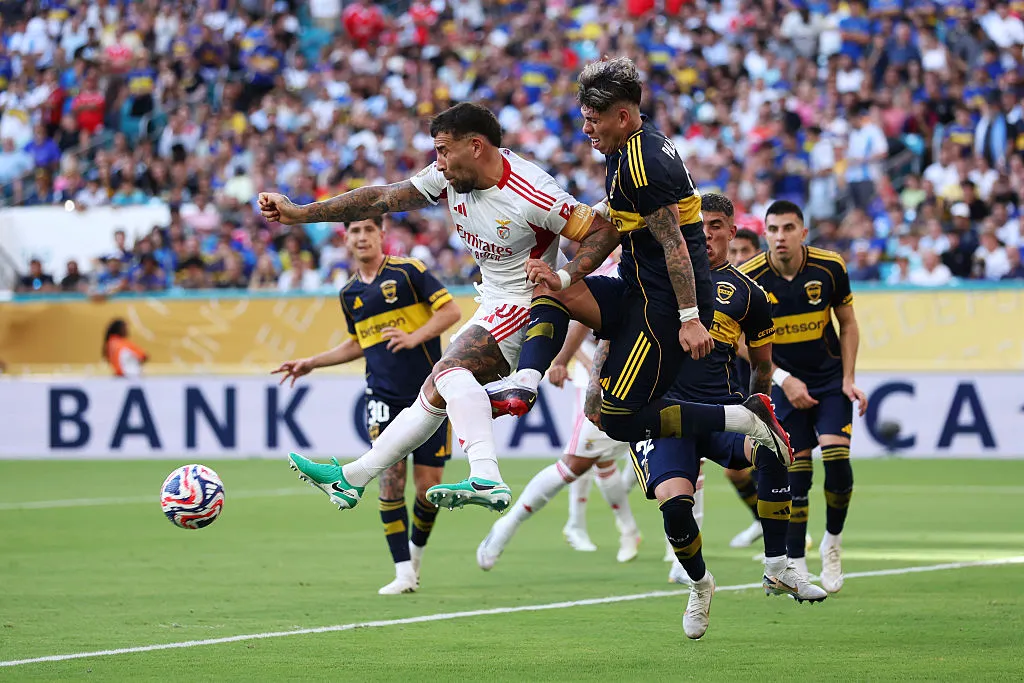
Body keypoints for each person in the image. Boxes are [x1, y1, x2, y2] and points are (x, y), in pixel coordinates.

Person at [260, 102, 621, 513]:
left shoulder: (531, 192)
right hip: (494, 297)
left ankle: (486, 474)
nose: (439, 162)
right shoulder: (449, 176)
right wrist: (302, 213)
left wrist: (565, 276)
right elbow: (381, 197)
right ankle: (352, 478)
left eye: (445, 151)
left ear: (477, 146)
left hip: (526, 300)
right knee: (433, 392)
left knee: (449, 373)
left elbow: (601, 230)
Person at [486, 57, 791, 460]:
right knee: (550, 290)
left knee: (618, 420)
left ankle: (745, 418)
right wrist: (563, 265)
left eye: (593, 120)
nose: (586, 130)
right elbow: (618, 214)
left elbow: (675, 244)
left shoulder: (642, 163)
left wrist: (690, 319)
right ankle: (524, 381)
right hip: (636, 285)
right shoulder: (628, 146)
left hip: (665, 304)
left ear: (624, 116)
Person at [273, 217, 461, 595]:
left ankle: (415, 557)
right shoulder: (349, 294)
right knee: (390, 481)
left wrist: (414, 337)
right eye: (353, 232)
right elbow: (357, 344)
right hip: (382, 395)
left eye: (367, 230)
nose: (360, 237)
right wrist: (312, 362)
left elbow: (450, 313)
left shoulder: (410, 272)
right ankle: (403, 572)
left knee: (428, 491)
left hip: (430, 394)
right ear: (346, 240)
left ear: (381, 234)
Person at [475, 253, 643, 569]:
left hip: (660, 375)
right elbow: (580, 314)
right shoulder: (612, 267)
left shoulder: (672, 258)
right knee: (579, 462)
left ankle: (669, 554)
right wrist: (563, 359)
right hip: (613, 381)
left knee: (686, 457)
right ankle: (508, 527)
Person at [740, 200, 868, 593]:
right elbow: (741, 341)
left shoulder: (831, 267)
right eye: (774, 229)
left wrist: (848, 378)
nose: (781, 236)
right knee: (797, 473)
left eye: (789, 228)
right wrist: (781, 378)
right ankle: (795, 560)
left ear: (803, 232)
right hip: (781, 384)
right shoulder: (750, 276)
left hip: (829, 380)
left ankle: (832, 542)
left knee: (837, 458)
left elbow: (847, 323)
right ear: (765, 234)